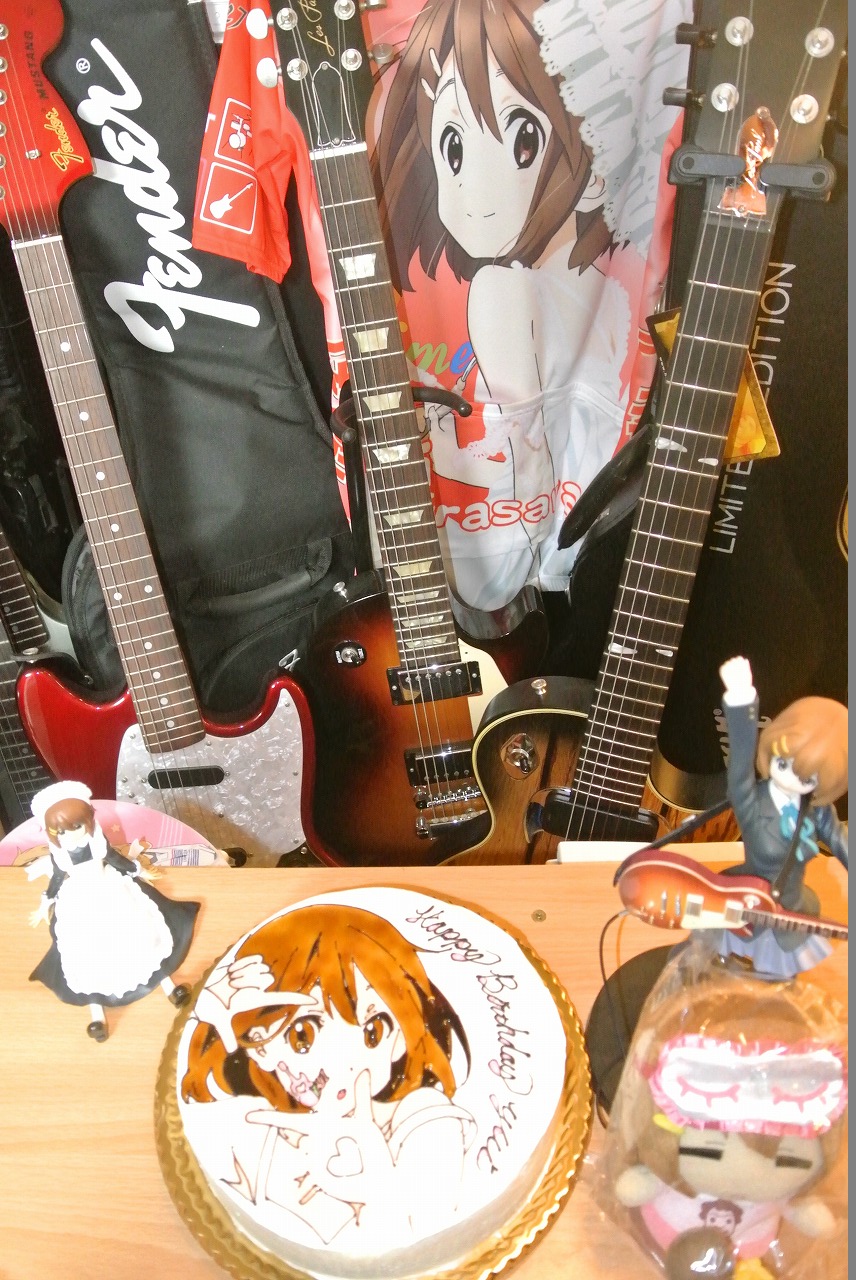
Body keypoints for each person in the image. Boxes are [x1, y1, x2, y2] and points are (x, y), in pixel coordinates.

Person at [369, 0, 665, 610]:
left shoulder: (500, 290)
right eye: (452, 148)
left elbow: (522, 468)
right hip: (605, 523)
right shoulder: (607, 288)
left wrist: (442, 446)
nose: (476, 192)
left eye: (522, 139)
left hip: (499, 550)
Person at [181, 903, 475, 1244]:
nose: (349, 1059)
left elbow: (430, 1233)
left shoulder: (424, 1117)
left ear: (399, 1037)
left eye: (374, 1030)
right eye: (303, 1035)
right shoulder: (265, 1128)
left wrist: (379, 1189)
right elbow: (188, 1124)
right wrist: (208, 1013)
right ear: (260, 1048)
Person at [28, 780, 199, 1041]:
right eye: (60, 831)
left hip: (110, 887)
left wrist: (139, 871)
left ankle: (169, 986)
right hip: (80, 899)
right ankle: (96, 1014)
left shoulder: (97, 842)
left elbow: (115, 859)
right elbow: (56, 881)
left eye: (76, 826)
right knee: (89, 954)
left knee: (139, 935)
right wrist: (45, 904)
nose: (70, 834)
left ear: (88, 820)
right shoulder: (59, 855)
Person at [717, 657, 848, 977]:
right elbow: (740, 769)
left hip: (789, 916)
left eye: (806, 777)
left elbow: (842, 843)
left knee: (778, 988)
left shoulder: (817, 812)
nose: (789, 777)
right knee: (719, 975)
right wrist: (742, 701)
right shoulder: (752, 802)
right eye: (783, 762)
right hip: (744, 907)